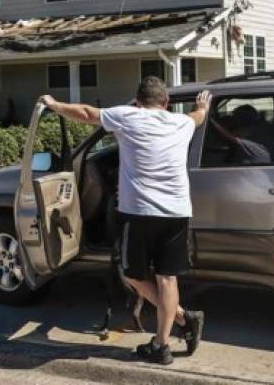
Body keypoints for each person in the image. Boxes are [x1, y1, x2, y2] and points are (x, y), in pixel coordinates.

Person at [40, 76, 211, 365]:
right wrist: (202, 108)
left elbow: (85, 113)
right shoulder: (181, 123)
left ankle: (180, 321)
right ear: (166, 103)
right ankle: (164, 340)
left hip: (140, 213)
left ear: (137, 100)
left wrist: (54, 104)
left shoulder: (127, 116)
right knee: (168, 278)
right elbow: (197, 117)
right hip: (177, 213)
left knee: (132, 274)